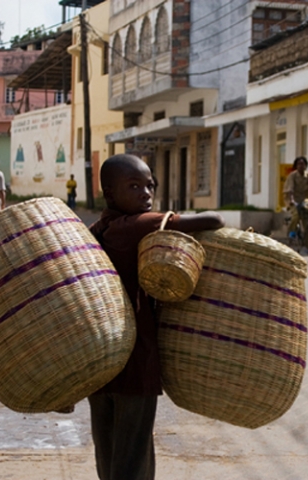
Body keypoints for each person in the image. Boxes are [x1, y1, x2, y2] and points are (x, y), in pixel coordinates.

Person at [86, 154, 224, 480]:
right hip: (135, 362)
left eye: (150, 185)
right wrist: (171, 217)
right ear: (110, 194)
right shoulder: (137, 225)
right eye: (134, 186)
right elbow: (213, 219)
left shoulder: (97, 229)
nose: (146, 193)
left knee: (108, 455)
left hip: (97, 362)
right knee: (134, 457)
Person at [283, 156, 308, 245]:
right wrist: (292, 200)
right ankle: (291, 233)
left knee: (307, 218)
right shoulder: (292, 176)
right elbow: (290, 189)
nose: (301, 166)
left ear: (306, 165)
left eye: (303, 164)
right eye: (299, 164)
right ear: (296, 166)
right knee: (296, 215)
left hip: (304, 199)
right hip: (292, 199)